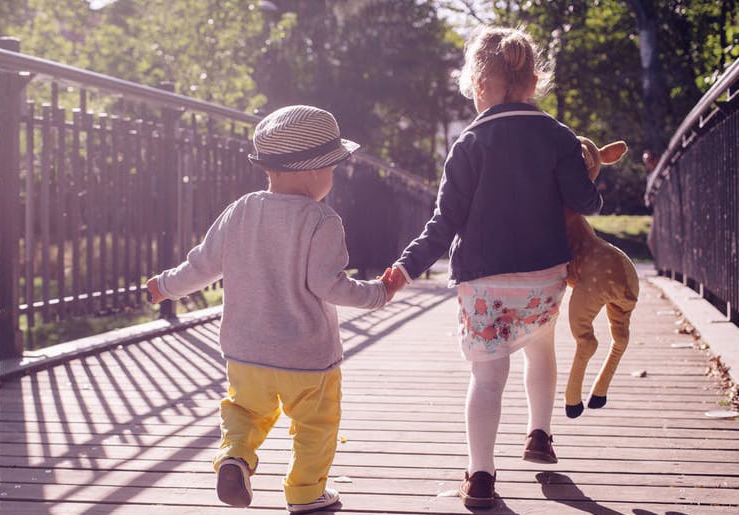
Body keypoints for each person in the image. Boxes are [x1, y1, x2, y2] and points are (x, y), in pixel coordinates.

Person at [381, 27, 603, 509]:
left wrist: (404, 269)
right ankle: (539, 435)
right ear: (532, 80)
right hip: (544, 276)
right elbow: (586, 202)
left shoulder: (470, 142)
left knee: (487, 377)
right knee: (540, 345)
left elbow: (444, 223)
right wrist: (589, 172)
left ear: (481, 83)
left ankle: (480, 476)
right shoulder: (558, 136)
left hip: (485, 282)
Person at [146, 105, 390, 513]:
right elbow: (329, 286)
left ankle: (235, 458)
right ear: (315, 171)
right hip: (308, 358)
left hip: (246, 352)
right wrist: (378, 293)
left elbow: (201, 266)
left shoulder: (240, 211)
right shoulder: (322, 220)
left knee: (243, 411)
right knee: (315, 426)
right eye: (332, 166)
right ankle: (305, 492)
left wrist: (165, 286)